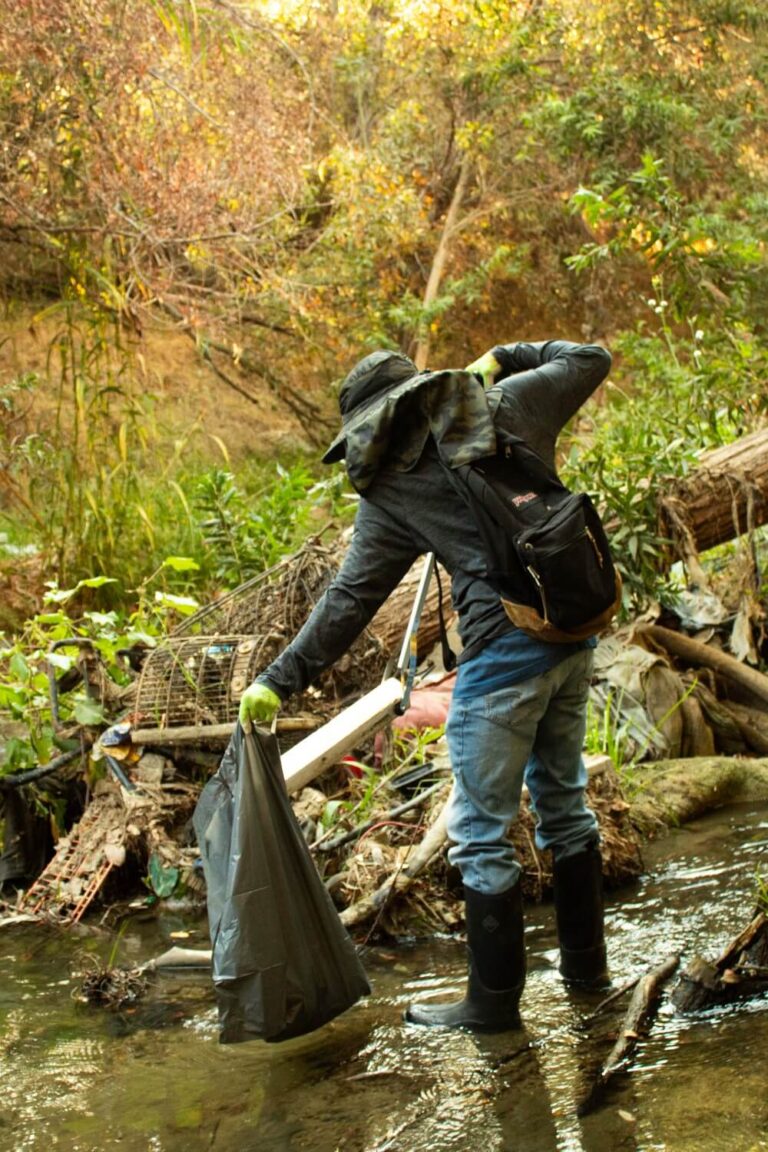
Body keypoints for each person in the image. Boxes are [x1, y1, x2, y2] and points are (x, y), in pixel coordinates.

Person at [238, 338, 613, 1033]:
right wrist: (507, 355)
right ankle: (589, 975)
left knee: (478, 834)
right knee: (564, 806)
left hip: (502, 658)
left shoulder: (390, 488)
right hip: (570, 634)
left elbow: (349, 600)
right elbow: (592, 359)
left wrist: (276, 680)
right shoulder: (506, 402)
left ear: (370, 426)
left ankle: (493, 1005)